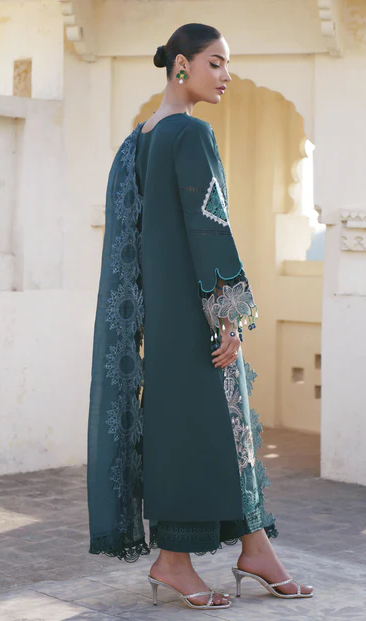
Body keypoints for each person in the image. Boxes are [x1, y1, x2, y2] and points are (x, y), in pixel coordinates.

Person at [87, 23, 313, 610]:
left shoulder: (138, 140)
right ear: (181, 65)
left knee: (196, 428)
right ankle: (174, 562)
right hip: (196, 313)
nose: (226, 75)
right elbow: (208, 225)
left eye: (227, 64)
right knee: (208, 429)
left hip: (160, 316)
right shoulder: (190, 132)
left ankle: (254, 551)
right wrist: (229, 315)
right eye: (216, 62)